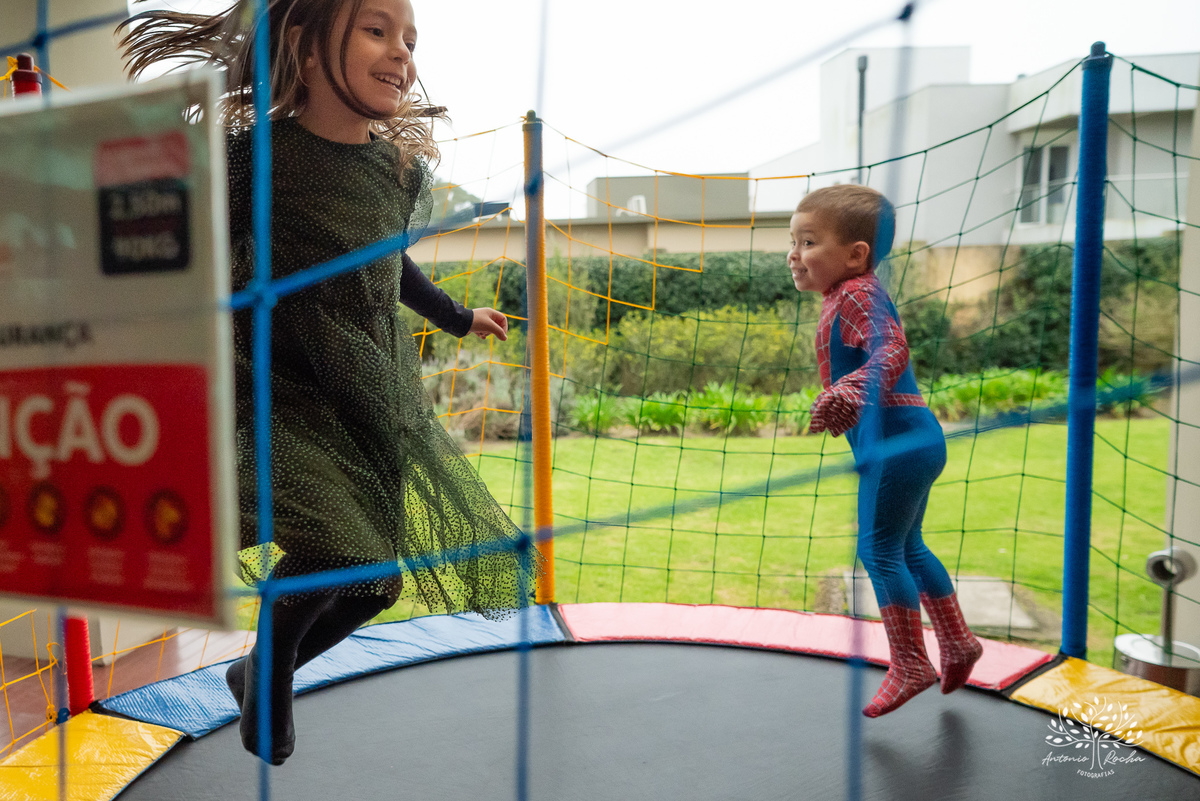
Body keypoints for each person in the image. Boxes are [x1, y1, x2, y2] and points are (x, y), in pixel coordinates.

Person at [118, 0, 539, 764]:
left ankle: (253, 669)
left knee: (375, 579)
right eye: (378, 30)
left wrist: (454, 317)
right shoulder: (256, 157)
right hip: (279, 384)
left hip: (367, 393)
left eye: (410, 39)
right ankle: (272, 667)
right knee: (340, 546)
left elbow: (389, 263)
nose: (402, 53)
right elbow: (179, 237)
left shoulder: (396, 170)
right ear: (306, 50)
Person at [788, 185, 982, 718]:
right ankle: (958, 641)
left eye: (808, 241)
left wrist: (849, 390)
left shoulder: (856, 293)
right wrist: (845, 395)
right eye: (793, 242)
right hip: (913, 441)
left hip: (898, 442)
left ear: (855, 255)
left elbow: (892, 347)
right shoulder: (845, 296)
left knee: (878, 550)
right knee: (909, 548)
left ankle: (911, 662)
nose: (794, 254)